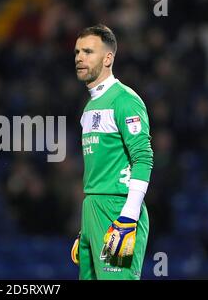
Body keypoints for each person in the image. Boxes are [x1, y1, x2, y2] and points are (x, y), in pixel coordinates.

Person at [70, 24, 154, 280]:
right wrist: (87, 228)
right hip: (93, 211)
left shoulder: (124, 100)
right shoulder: (90, 106)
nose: (79, 58)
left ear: (108, 58)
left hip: (117, 211)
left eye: (88, 51)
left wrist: (127, 217)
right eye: (76, 52)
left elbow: (143, 158)